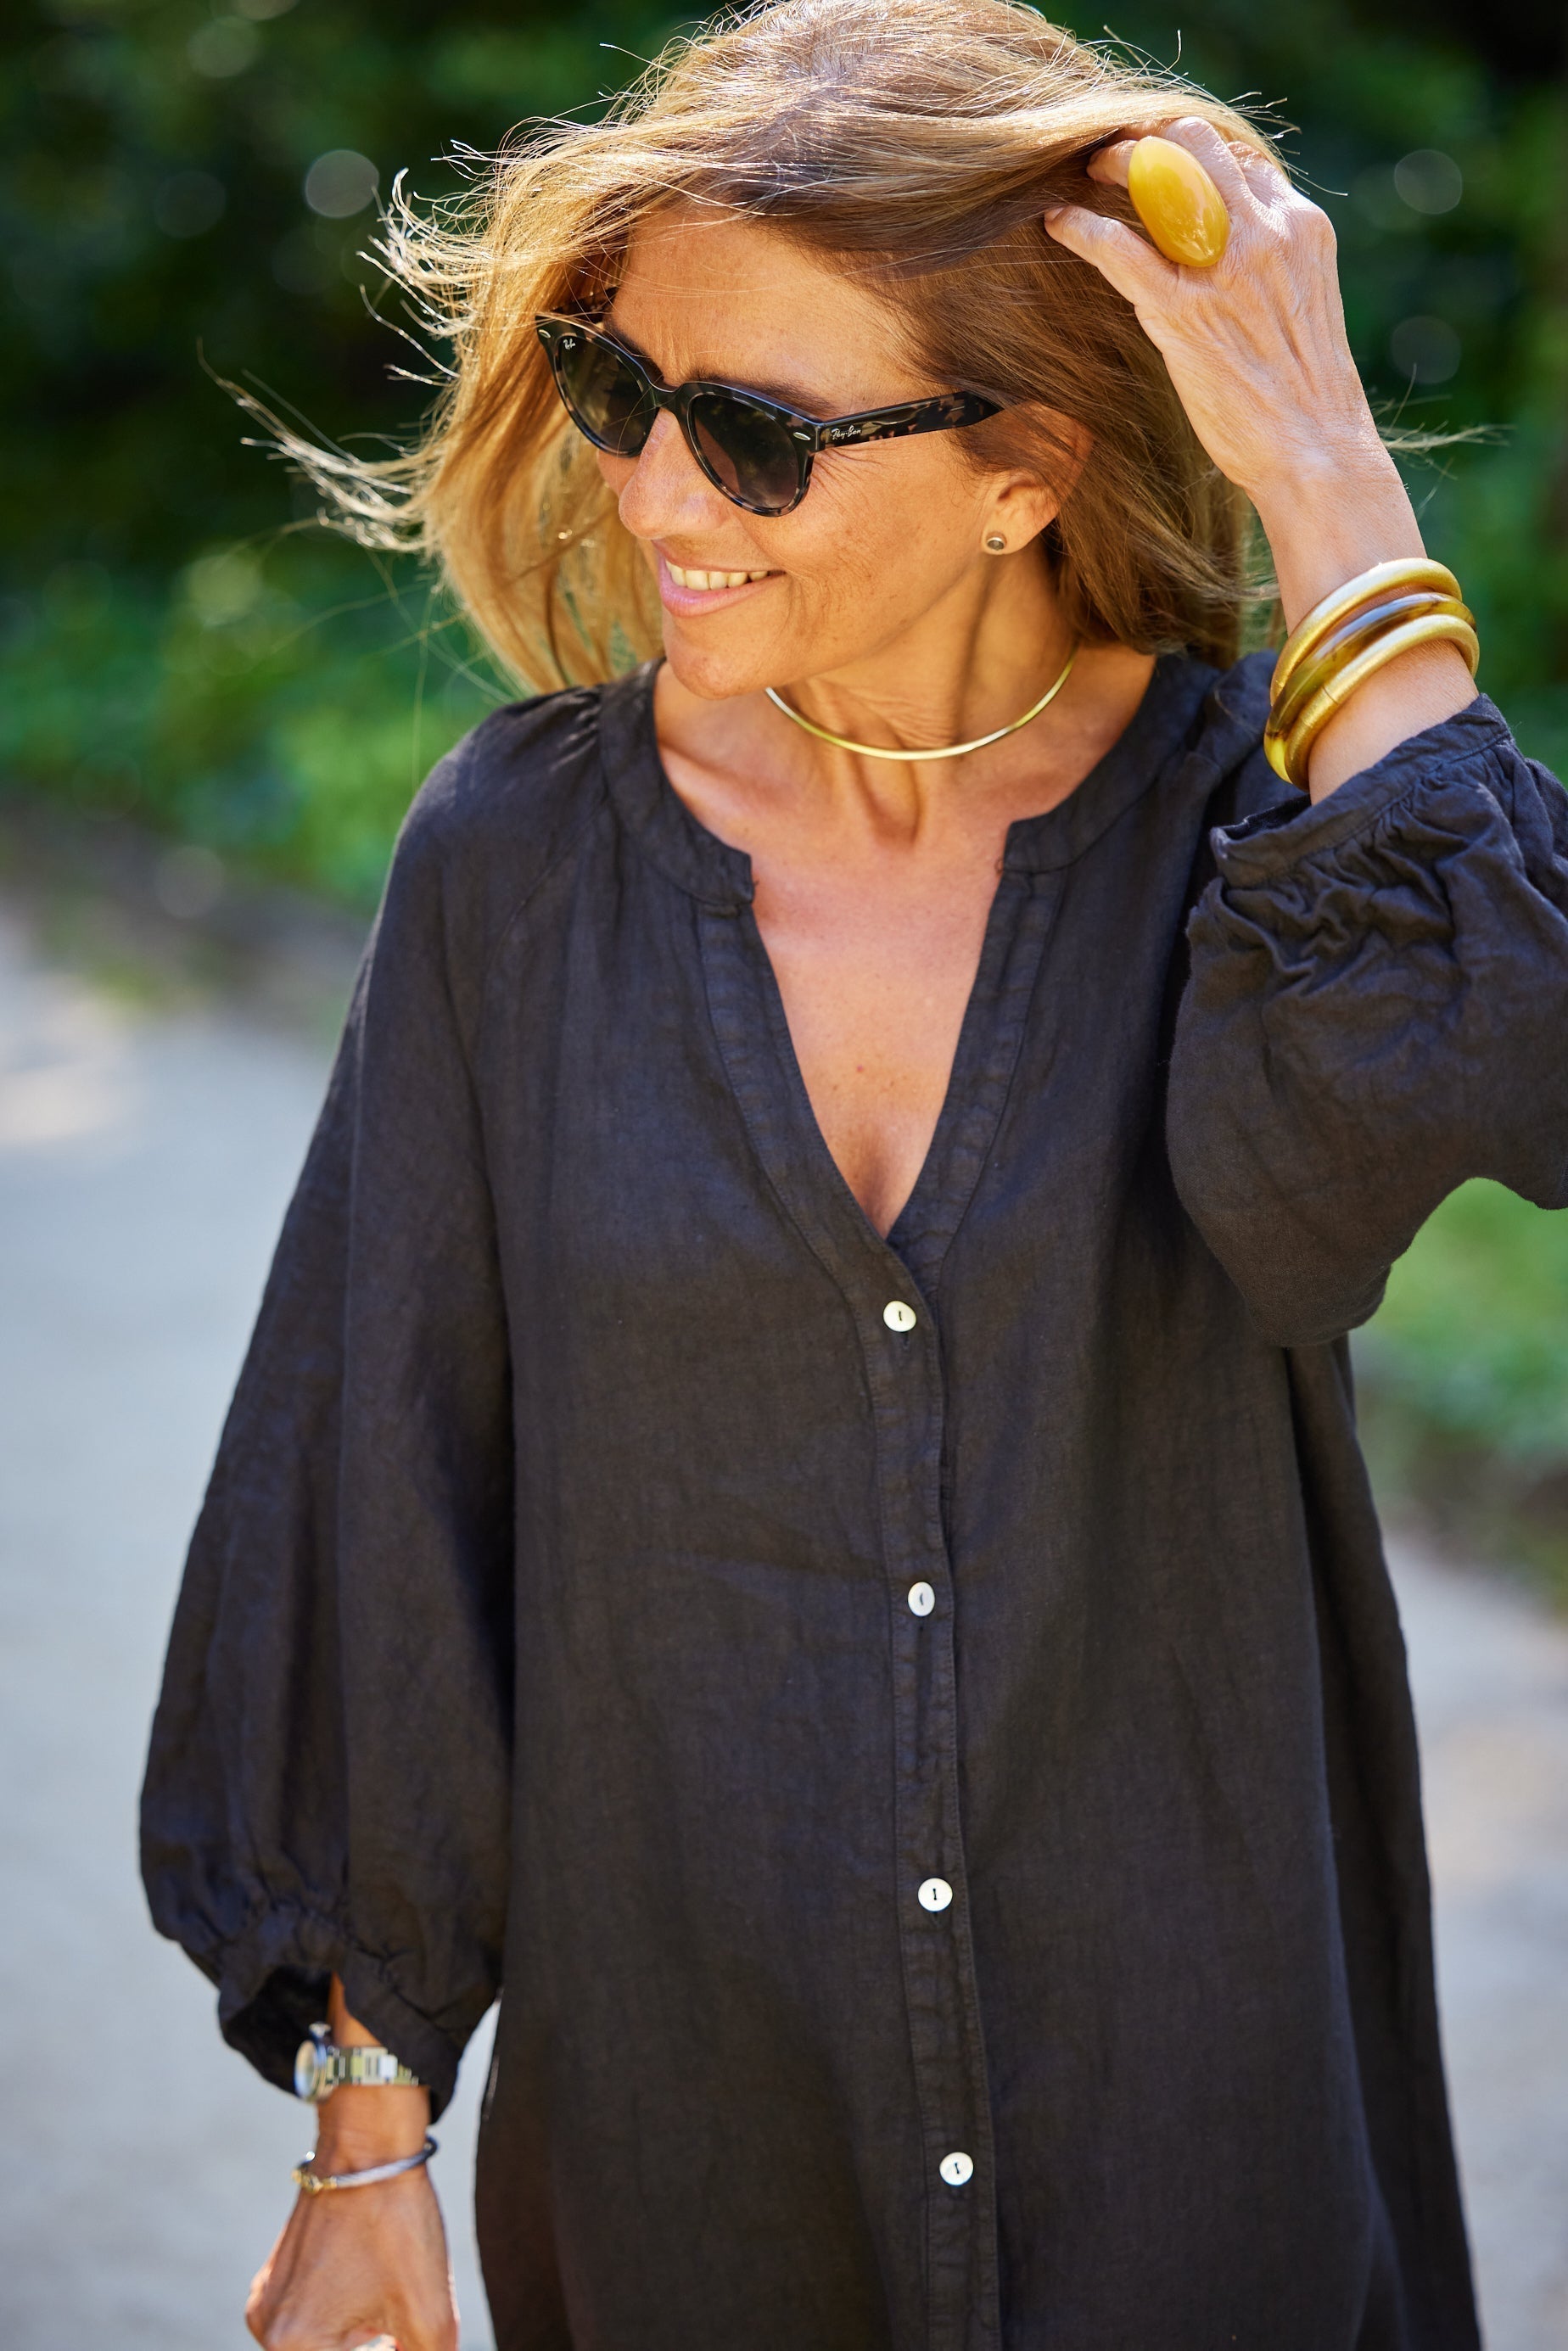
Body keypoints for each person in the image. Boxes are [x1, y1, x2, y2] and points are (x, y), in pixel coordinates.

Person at [140, 3, 1568, 2345]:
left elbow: (1512, 1060)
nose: (654, 498)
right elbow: (382, 1501)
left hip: (1193, 2143)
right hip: (695, 2166)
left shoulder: (1272, 852)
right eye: (619, 390)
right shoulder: (519, 861)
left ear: (1027, 469)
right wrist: (367, 2137)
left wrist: (1326, 474)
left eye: (757, 437)